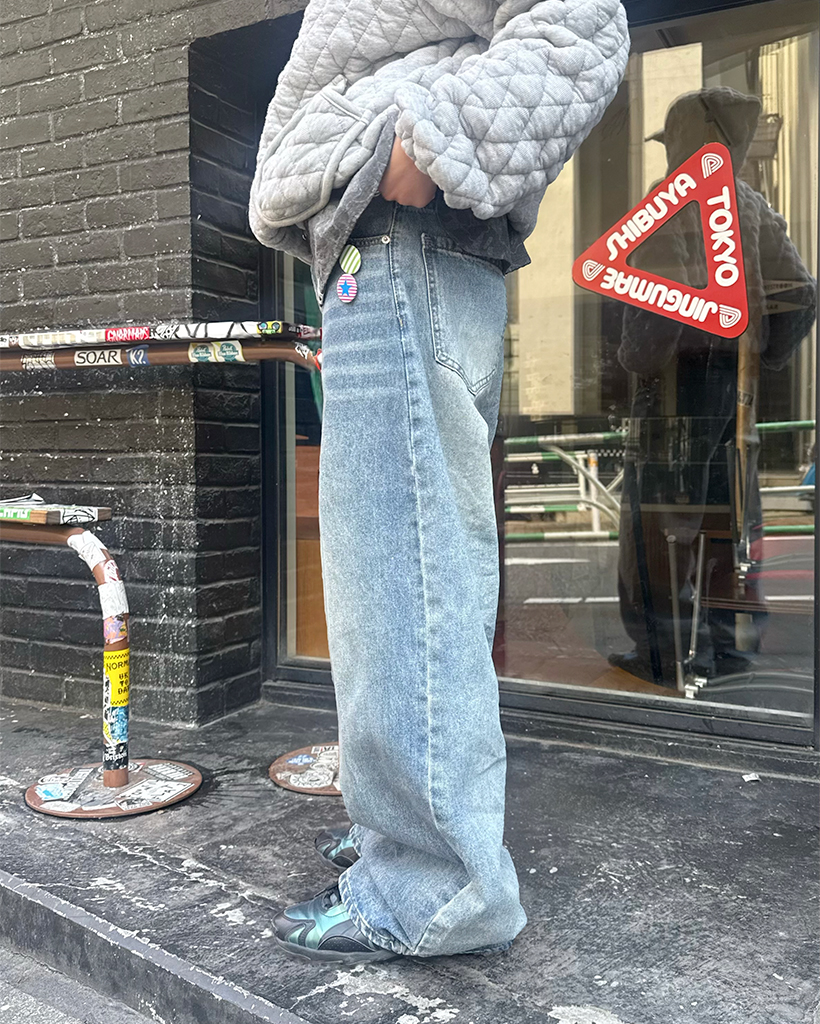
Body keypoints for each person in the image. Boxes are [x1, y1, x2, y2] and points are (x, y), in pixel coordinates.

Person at [250, 0, 630, 963]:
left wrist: (416, 147)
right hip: (386, 256)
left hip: (402, 244)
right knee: (405, 570)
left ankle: (433, 887)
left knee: (401, 577)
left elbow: (581, 27)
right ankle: (406, 835)